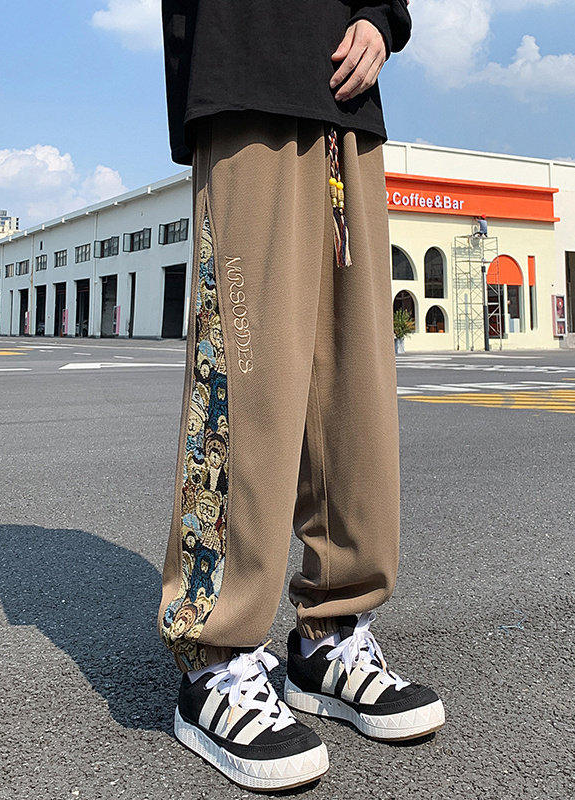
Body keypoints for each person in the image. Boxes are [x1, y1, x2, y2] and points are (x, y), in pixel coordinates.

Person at [158, 1, 444, 791]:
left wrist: (382, 19)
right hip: (246, 70)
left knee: (353, 390)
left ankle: (331, 636)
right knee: (250, 383)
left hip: (346, 101)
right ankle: (215, 656)